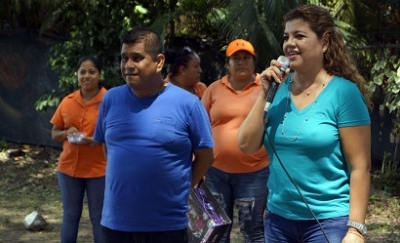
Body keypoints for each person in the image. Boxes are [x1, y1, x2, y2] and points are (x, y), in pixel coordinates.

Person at [238, 4, 372, 243]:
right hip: (278, 221)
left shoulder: (344, 93)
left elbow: (360, 167)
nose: (290, 43)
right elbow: (246, 145)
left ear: (324, 43)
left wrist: (355, 230)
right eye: (286, 36)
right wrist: (263, 94)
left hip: (328, 223)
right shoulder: (276, 89)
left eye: (299, 35)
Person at [93, 27, 214, 243]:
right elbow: (108, 151)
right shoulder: (111, 99)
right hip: (116, 224)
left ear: (159, 62)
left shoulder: (188, 104)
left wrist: (184, 188)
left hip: (168, 226)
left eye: (137, 58)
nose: (128, 65)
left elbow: (205, 156)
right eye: (124, 58)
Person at [201, 39, 269, 243]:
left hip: (254, 173)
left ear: (254, 61)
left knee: (253, 230)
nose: (241, 62)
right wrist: (199, 166)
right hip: (215, 173)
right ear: (227, 63)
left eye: (246, 58)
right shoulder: (213, 89)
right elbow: (200, 127)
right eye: (236, 58)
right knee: (217, 230)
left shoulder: (267, 87)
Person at [50, 55, 107, 243]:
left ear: (99, 74)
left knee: (99, 218)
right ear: (77, 75)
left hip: (98, 170)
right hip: (68, 170)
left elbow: (118, 133)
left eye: (92, 71)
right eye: (82, 72)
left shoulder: (109, 100)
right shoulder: (68, 101)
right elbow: (54, 133)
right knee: (71, 215)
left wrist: (95, 139)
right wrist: (66, 133)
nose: (86, 76)